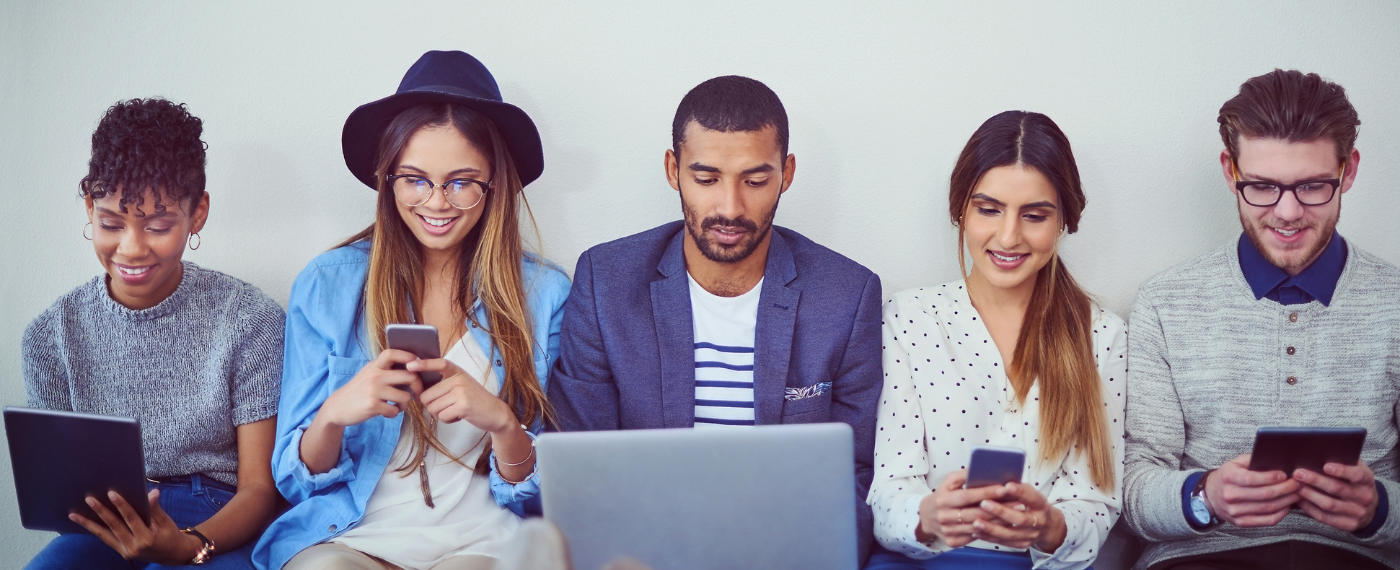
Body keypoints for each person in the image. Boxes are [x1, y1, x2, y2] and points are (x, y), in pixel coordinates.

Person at [546, 75, 883, 563]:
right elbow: (579, 460)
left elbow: (859, 475)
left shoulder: (846, 296)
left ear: (786, 173)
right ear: (673, 169)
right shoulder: (607, 283)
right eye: (706, 179)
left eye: (755, 180)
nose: (730, 207)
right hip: (643, 552)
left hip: (781, 551)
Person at [254, 51, 570, 570]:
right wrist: (334, 415)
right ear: (387, 178)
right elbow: (294, 480)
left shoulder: (543, 293)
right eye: (415, 179)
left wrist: (502, 424)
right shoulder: (329, 283)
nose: (437, 202)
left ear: (494, 184)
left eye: (462, 181)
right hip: (351, 536)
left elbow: (538, 495)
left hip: (483, 542)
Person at [1123, 69, 1399, 570]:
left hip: (1354, 558)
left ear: (1348, 171)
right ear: (1231, 172)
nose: (1287, 212)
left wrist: (1378, 509)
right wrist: (1204, 496)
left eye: (1312, 185)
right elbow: (1134, 492)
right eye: (1263, 186)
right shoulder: (1165, 303)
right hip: (1200, 559)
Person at [22, 98, 285, 568]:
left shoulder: (250, 320)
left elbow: (260, 491)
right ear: (89, 207)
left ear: (197, 214)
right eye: (110, 223)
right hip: (109, 527)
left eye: (158, 226)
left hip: (218, 518)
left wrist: (187, 544)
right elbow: (64, 497)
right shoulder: (51, 336)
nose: (131, 248)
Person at [865, 111, 1127, 570]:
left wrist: (1050, 527)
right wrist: (926, 517)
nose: (1008, 237)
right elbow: (889, 491)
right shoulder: (909, 318)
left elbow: (1096, 501)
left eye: (1034, 215)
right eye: (989, 210)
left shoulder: (1102, 335)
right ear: (960, 211)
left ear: (1064, 220)